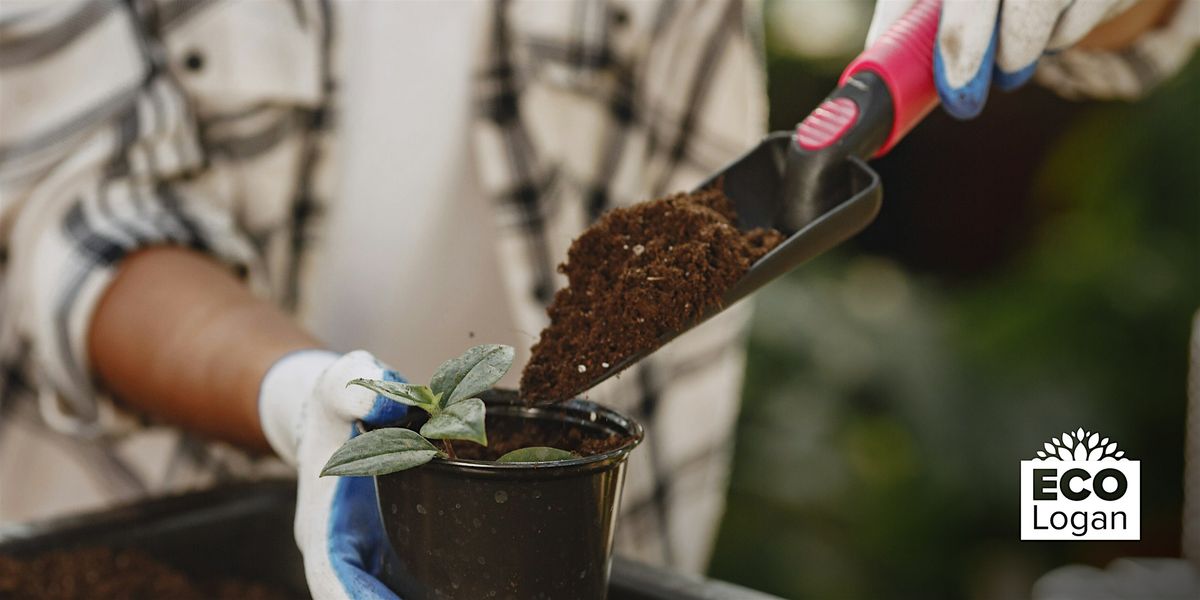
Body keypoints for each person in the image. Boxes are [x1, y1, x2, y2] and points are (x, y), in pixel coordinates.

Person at [0, 0, 1194, 598]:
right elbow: (67, 204)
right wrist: (302, 395)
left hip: (599, 543)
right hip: (162, 525)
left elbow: (1141, 26)